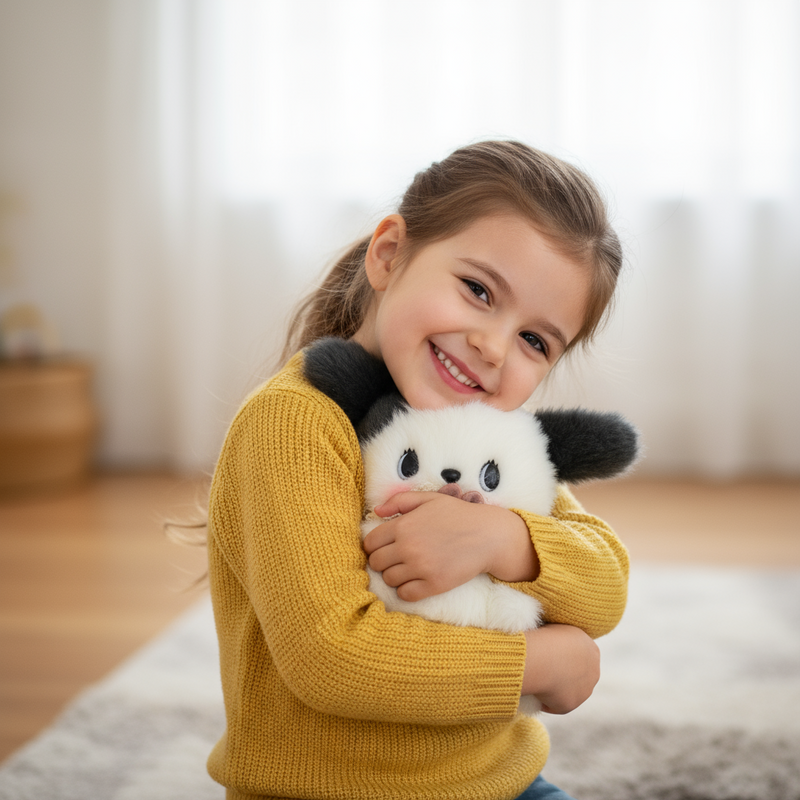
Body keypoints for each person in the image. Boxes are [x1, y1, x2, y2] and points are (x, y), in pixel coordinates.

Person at [205, 140, 629, 800]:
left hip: (502, 783)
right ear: (389, 255)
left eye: (534, 341)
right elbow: (333, 660)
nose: (492, 347)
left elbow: (606, 582)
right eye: (478, 290)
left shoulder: (491, 439)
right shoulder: (293, 423)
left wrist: (507, 541)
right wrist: (536, 662)